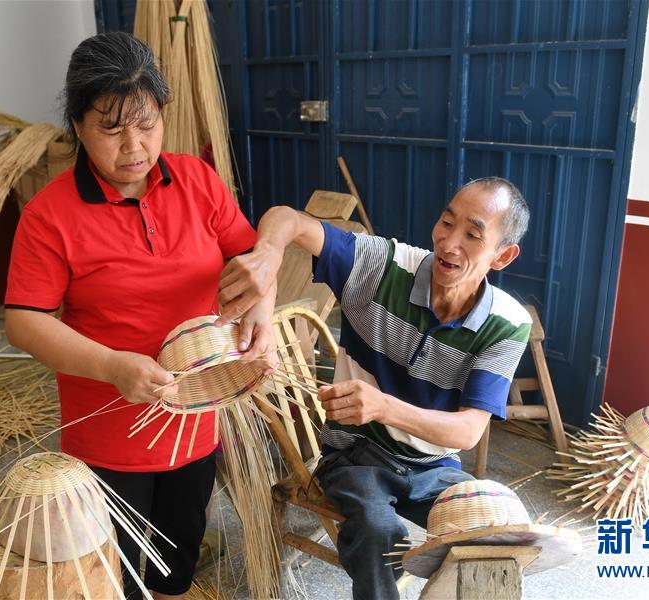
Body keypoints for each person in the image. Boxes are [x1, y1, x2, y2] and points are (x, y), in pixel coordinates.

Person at [4, 32, 274, 600]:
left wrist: (261, 317)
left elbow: (252, 264)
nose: (134, 145)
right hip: (109, 428)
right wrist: (111, 366)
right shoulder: (50, 214)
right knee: (118, 574)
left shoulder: (197, 181)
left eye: (147, 123)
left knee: (177, 561)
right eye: (111, 128)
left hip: (198, 414)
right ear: (77, 126)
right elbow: (25, 321)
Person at [218, 177, 532, 599]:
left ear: (503, 255)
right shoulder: (383, 267)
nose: (449, 242)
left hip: (434, 468)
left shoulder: (507, 325)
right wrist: (267, 260)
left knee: (498, 528)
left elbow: (467, 432)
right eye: (446, 221)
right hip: (354, 456)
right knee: (378, 529)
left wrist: (384, 407)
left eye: (473, 235)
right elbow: (285, 219)